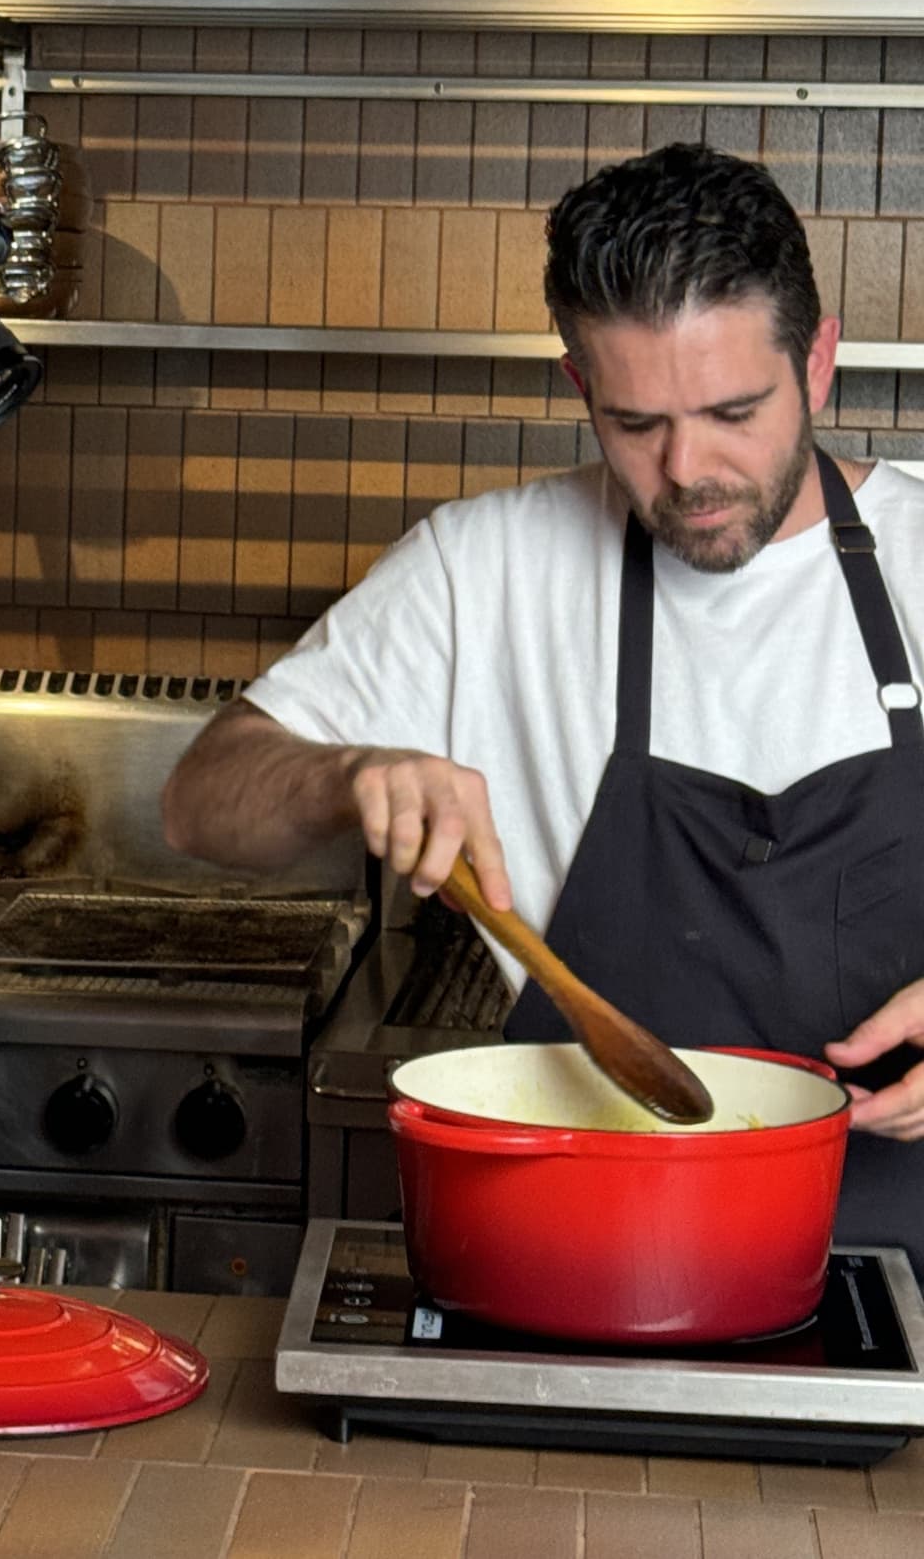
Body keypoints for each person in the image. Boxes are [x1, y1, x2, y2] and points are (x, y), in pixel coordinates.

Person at [163, 141, 924, 1263]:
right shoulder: (485, 571)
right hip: (587, 1265)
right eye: (636, 423)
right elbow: (197, 802)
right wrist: (345, 774)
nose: (687, 470)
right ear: (579, 387)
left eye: (732, 410)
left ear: (816, 365)